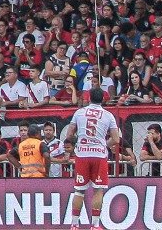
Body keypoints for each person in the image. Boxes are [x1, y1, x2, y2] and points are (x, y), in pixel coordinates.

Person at [64, 89, 120, 230]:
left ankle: (74, 224)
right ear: (103, 99)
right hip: (99, 155)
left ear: (89, 98)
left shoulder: (79, 112)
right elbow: (116, 139)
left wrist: (80, 140)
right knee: (98, 190)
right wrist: (103, 145)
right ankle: (95, 225)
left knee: (79, 190)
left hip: (82, 154)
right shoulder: (108, 115)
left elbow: (69, 134)